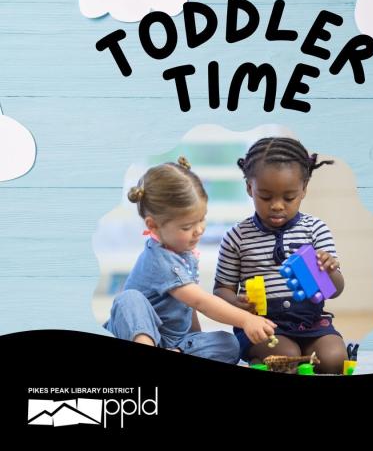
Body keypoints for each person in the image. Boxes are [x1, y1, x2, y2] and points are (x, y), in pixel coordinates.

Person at [104, 156, 276, 364]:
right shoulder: (159, 259)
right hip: (138, 333)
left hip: (174, 341)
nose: (199, 230)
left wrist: (198, 338)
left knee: (230, 344)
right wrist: (246, 319)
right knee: (128, 299)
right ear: (153, 226)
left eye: (202, 219)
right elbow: (200, 301)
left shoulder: (184, 253)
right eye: (187, 227)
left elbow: (188, 306)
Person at [214, 137, 348, 373]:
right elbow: (221, 289)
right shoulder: (237, 236)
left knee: (334, 358)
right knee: (288, 357)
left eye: (289, 197)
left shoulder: (315, 229)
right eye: (265, 197)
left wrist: (329, 271)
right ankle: (260, 360)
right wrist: (237, 304)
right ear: (249, 188)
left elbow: (335, 290)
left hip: (312, 322)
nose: (277, 205)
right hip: (262, 325)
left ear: (304, 189)